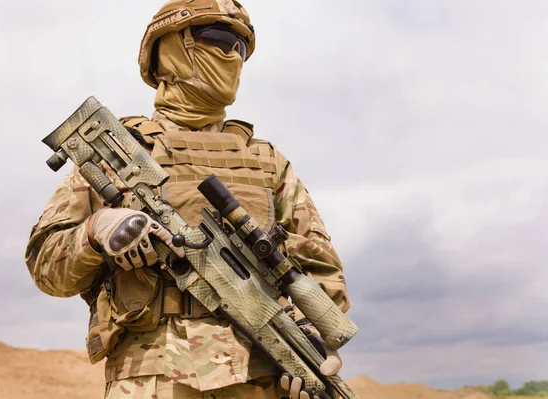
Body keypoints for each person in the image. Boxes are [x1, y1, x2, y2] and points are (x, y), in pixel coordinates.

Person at [25, 1, 351, 398]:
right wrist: (96, 232)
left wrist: (313, 343)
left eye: (242, 49)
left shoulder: (268, 163)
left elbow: (320, 271)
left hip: (261, 378)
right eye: (220, 39)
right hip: (150, 376)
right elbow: (46, 267)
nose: (233, 55)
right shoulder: (116, 153)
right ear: (171, 49)